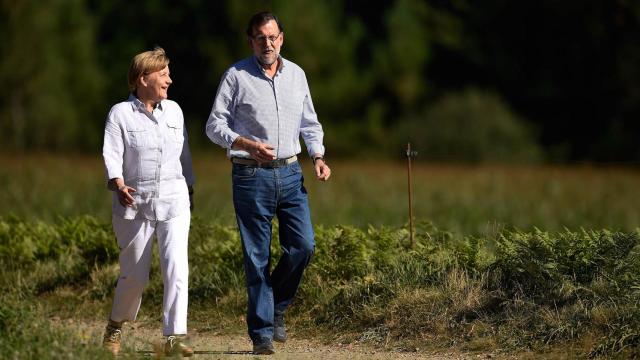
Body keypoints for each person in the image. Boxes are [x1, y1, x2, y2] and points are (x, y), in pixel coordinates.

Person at [206, 11, 331, 355]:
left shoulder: (297, 75)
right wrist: (244, 143)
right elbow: (213, 126)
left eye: (272, 37)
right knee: (257, 256)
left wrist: (318, 157)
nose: (267, 43)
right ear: (251, 41)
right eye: (260, 37)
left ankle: (275, 305)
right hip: (250, 175)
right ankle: (261, 332)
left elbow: (310, 123)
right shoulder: (236, 76)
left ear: (282, 39)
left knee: (304, 245)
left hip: (291, 173)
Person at [101, 47, 195, 357]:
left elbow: (184, 156)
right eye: (163, 73)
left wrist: (190, 188)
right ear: (143, 78)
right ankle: (116, 325)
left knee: (176, 268)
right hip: (135, 205)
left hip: (175, 201)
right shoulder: (120, 114)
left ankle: (174, 337)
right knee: (134, 276)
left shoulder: (175, 111)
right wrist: (117, 182)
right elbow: (112, 153)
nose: (170, 79)